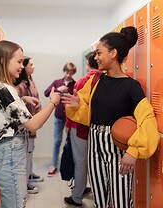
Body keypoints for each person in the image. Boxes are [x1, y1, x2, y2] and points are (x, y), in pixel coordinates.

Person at [62, 26, 160, 208]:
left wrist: (133, 151)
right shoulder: (95, 81)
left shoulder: (131, 86)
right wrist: (77, 105)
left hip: (118, 148)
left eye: (99, 53)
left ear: (113, 53)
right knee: (100, 199)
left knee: (120, 200)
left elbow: (148, 120)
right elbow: (88, 114)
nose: (96, 57)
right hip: (94, 144)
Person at [0, 40, 60, 208]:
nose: (22, 66)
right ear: (4, 60)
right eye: (18, 61)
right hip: (9, 154)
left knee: (15, 203)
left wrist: (22, 99)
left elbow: (6, 113)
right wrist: (53, 103)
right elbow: (33, 125)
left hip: (9, 153)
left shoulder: (3, 88)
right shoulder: (4, 90)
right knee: (16, 204)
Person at [64, 51, 100, 207]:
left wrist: (67, 125)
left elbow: (72, 107)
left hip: (79, 128)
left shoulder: (84, 80)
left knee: (80, 162)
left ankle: (77, 196)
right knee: (90, 162)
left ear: (88, 64)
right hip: (96, 129)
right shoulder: (104, 79)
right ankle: (85, 189)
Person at [14, 56, 43, 194]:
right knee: (27, 154)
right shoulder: (20, 85)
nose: (34, 66)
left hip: (32, 122)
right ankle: (25, 184)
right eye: (31, 64)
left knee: (30, 152)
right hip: (27, 125)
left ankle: (29, 175)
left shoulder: (29, 80)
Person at [44, 63, 76, 176]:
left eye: (71, 73)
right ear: (64, 71)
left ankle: (68, 165)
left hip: (70, 118)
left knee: (71, 142)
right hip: (58, 117)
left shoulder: (75, 84)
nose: (68, 75)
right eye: (67, 72)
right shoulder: (57, 82)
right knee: (57, 141)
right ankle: (54, 165)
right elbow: (46, 93)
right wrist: (58, 89)